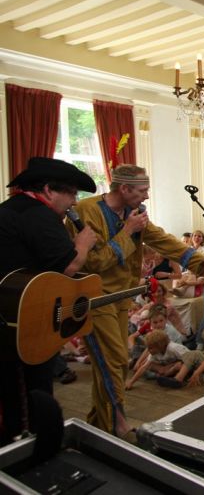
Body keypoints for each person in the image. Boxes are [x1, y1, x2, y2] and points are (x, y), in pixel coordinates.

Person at [70, 164, 204, 435]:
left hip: (121, 298)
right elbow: (94, 262)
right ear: (124, 188)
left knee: (113, 363)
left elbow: (160, 239)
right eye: (143, 190)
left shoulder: (135, 212)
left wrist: (201, 261)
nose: (147, 196)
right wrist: (127, 231)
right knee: (113, 361)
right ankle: (115, 423)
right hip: (94, 298)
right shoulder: (87, 210)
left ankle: (102, 422)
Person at [0, 158, 98, 448]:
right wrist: (83, 244)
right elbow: (68, 266)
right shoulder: (38, 215)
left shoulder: (11, 209)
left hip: (14, 312)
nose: (75, 202)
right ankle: (29, 447)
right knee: (30, 391)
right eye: (71, 193)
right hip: (22, 323)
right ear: (48, 190)